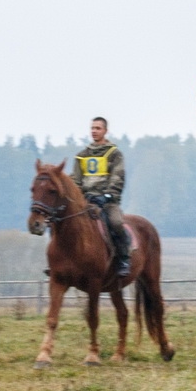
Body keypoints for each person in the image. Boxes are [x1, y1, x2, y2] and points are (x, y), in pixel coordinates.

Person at [74, 116, 131, 278]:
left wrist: (107, 196)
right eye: (92, 128)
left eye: (98, 128)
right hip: (86, 201)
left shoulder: (114, 154)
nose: (94, 131)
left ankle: (124, 259)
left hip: (107, 202)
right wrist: (81, 196)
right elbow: (76, 180)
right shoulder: (81, 156)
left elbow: (118, 177)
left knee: (117, 223)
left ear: (105, 131)